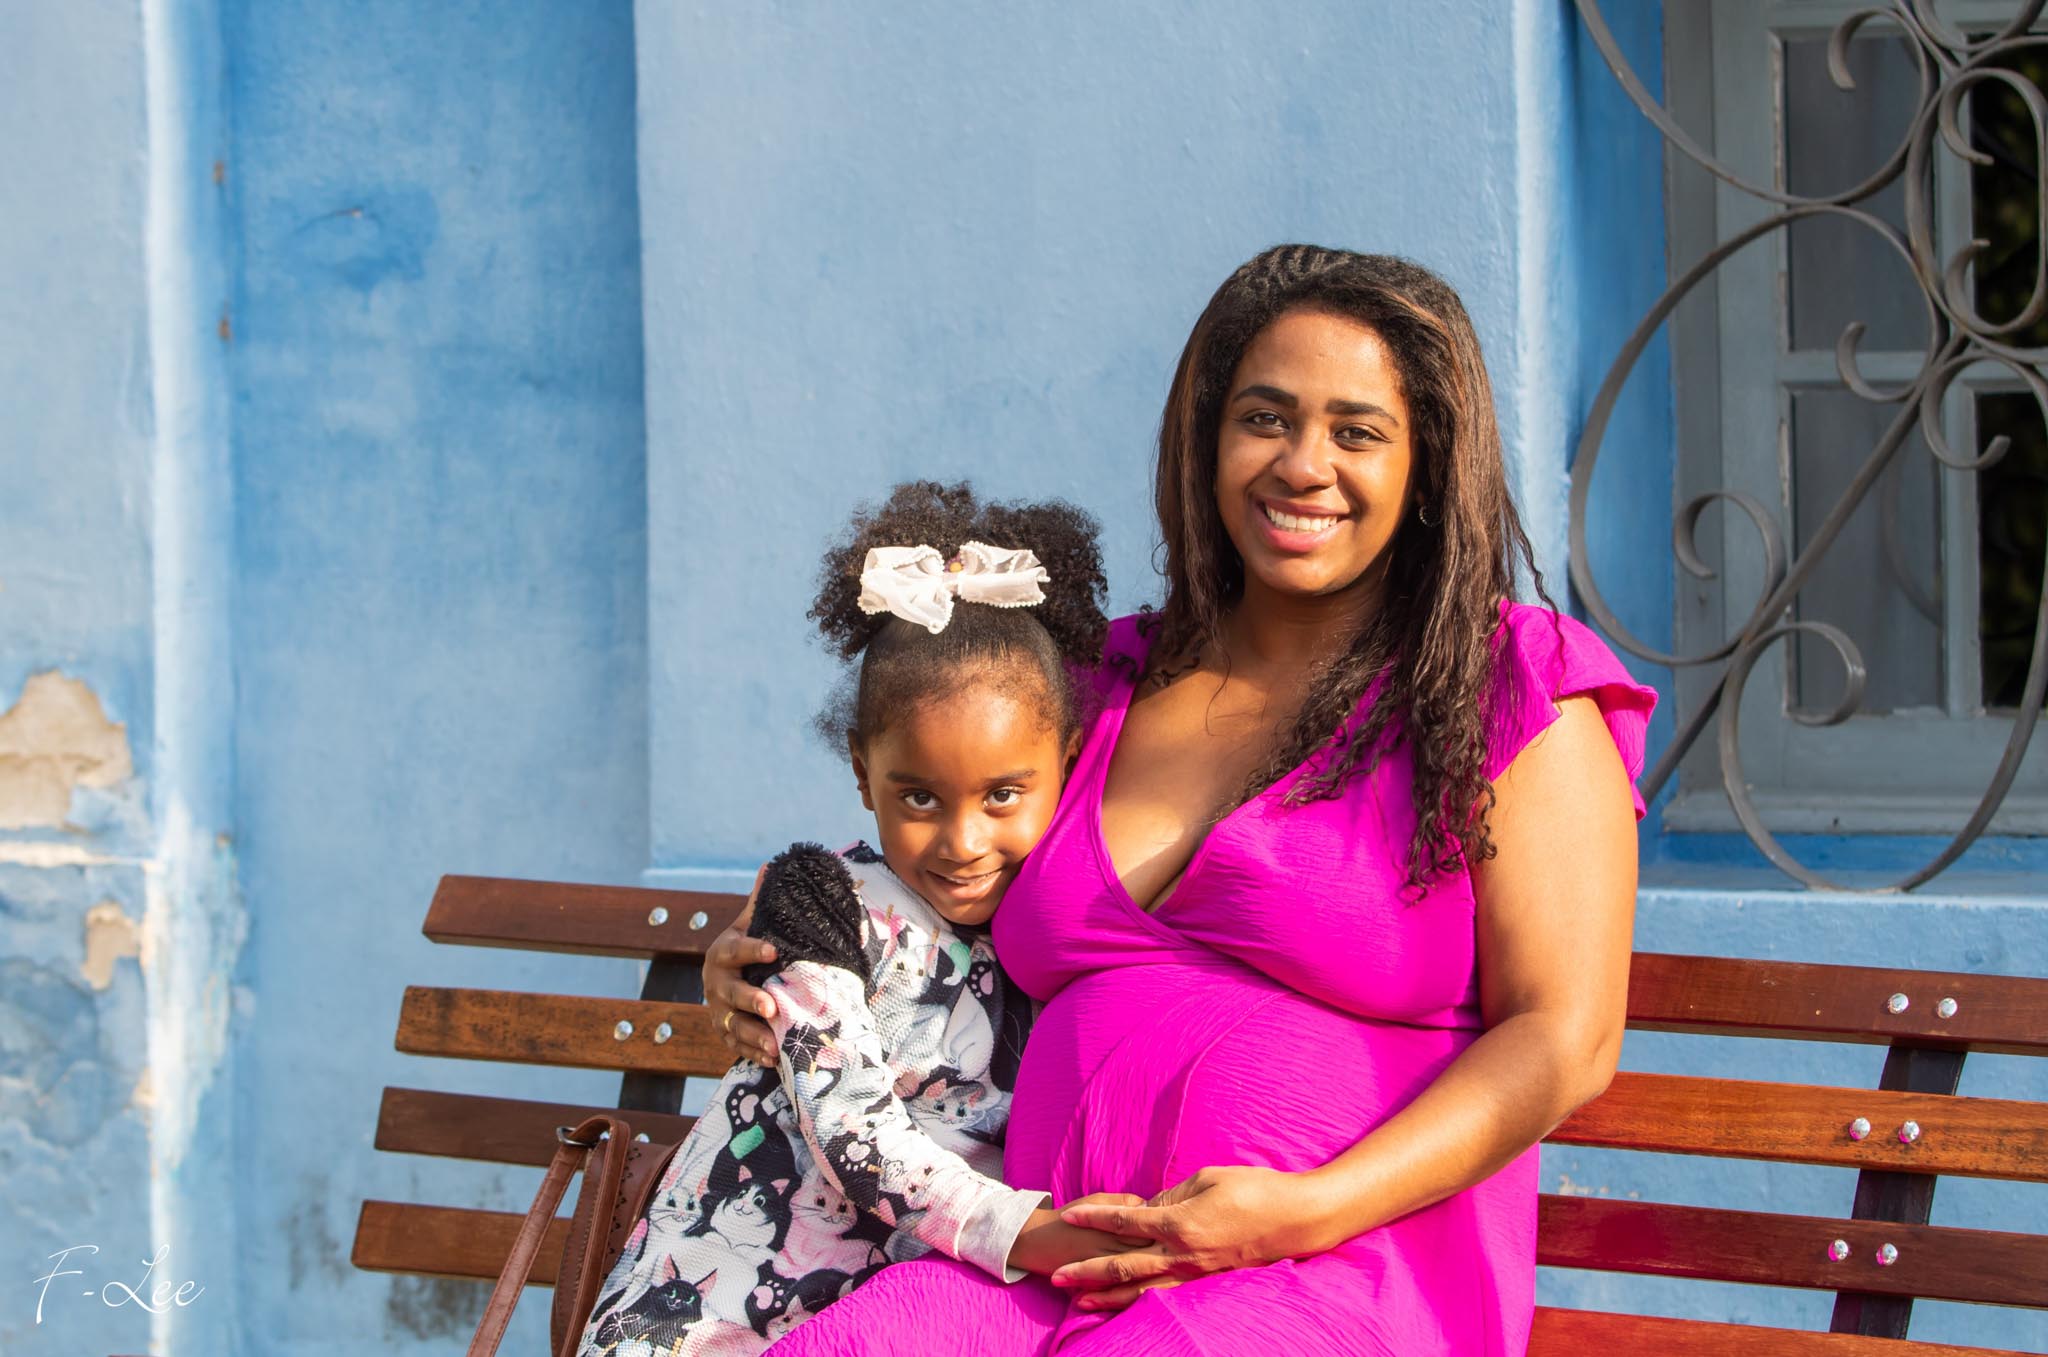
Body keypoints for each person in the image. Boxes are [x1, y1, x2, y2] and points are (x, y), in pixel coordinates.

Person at [707, 246, 1655, 1356]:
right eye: (1265, 419)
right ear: (1207, 437)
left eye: (1356, 432)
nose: (1302, 465)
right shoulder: (1094, 685)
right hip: (1040, 1258)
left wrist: (1309, 1208)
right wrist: (787, 944)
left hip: (1332, 1270)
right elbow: (934, 858)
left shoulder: (1502, 686)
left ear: (1426, 466)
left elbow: (1565, 1035)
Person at [576, 482, 1147, 1355]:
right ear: (860, 770)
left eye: (1002, 794)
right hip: (707, 1310)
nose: (962, 841)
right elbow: (852, 1129)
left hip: (899, 1318)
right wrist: (1028, 1232)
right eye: (918, 797)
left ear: (1066, 763)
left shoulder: (1052, 925)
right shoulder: (820, 901)